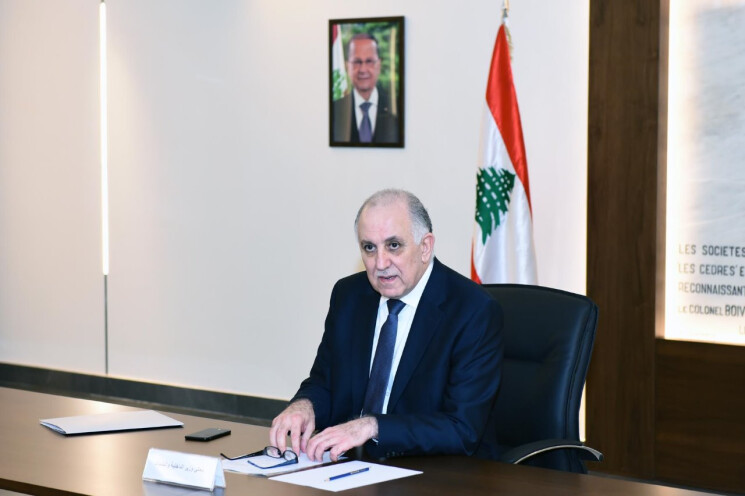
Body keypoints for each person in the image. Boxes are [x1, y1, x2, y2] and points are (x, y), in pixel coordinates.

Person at [269, 189, 504, 461]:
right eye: (369, 248)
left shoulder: (472, 311)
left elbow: (461, 429)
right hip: (350, 465)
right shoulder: (349, 296)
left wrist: (373, 426)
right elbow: (325, 382)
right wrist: (305, 405)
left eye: (393, 246)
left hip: (439, 470)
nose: (380, 263)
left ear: (425, 247)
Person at [332, 33, 399, 144]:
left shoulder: (396, 108)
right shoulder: (335, 111)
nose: (363, 69)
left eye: (369, 61)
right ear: (347, 66)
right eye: (357, 62)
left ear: (379, 65)